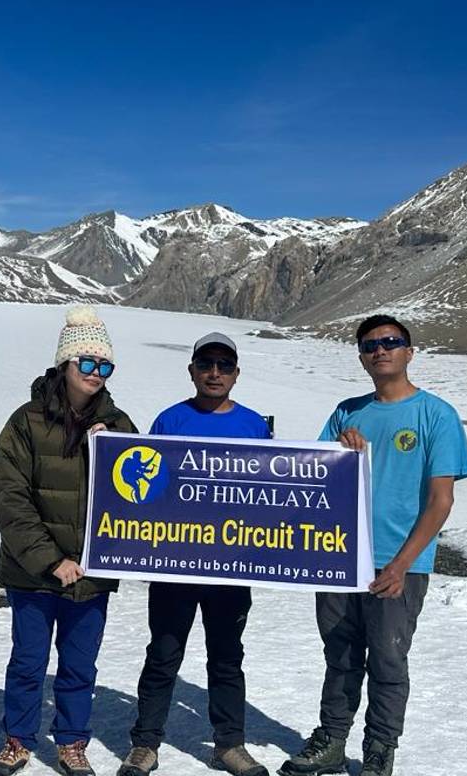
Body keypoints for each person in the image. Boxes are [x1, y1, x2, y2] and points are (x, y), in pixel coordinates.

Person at [279, 315, 467, 776]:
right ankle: (331, 739)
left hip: (397, 562)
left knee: (388, 657)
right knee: (341, 654)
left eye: (391, 342)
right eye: (370, 345)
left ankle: (379, 749)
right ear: (361, 356)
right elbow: (314, 480)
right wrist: (341, 454)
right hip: (339, 558)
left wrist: (402, 564)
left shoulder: (435, 415)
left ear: (409, 351)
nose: (380, 350)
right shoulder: (347, 413)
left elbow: (441, 500)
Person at [0, 305, 138, 776]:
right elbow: (9, 498)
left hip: (91, 572)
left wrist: (111, 447)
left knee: (79, 665)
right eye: (87, 363)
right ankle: (18, 740)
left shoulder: (118, 425)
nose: (96, 373)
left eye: (104, 365)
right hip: (34, 571)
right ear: (64, 365)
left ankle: (72, 742)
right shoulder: (26, 422)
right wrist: (51, 559)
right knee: (29, 662)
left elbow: (142, 492)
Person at [118, 332, 272, 776]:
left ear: (237, 374)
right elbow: (147, 489)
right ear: (192, 371)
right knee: (164, 653)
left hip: (229, 565)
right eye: (206, 364)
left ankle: (229, 745)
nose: (215, 373)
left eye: (225, 365)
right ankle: (145, 744)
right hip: (175, 564)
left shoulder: (253, 426)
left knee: (227, 656)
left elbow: (272, 494)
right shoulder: (170, 420)